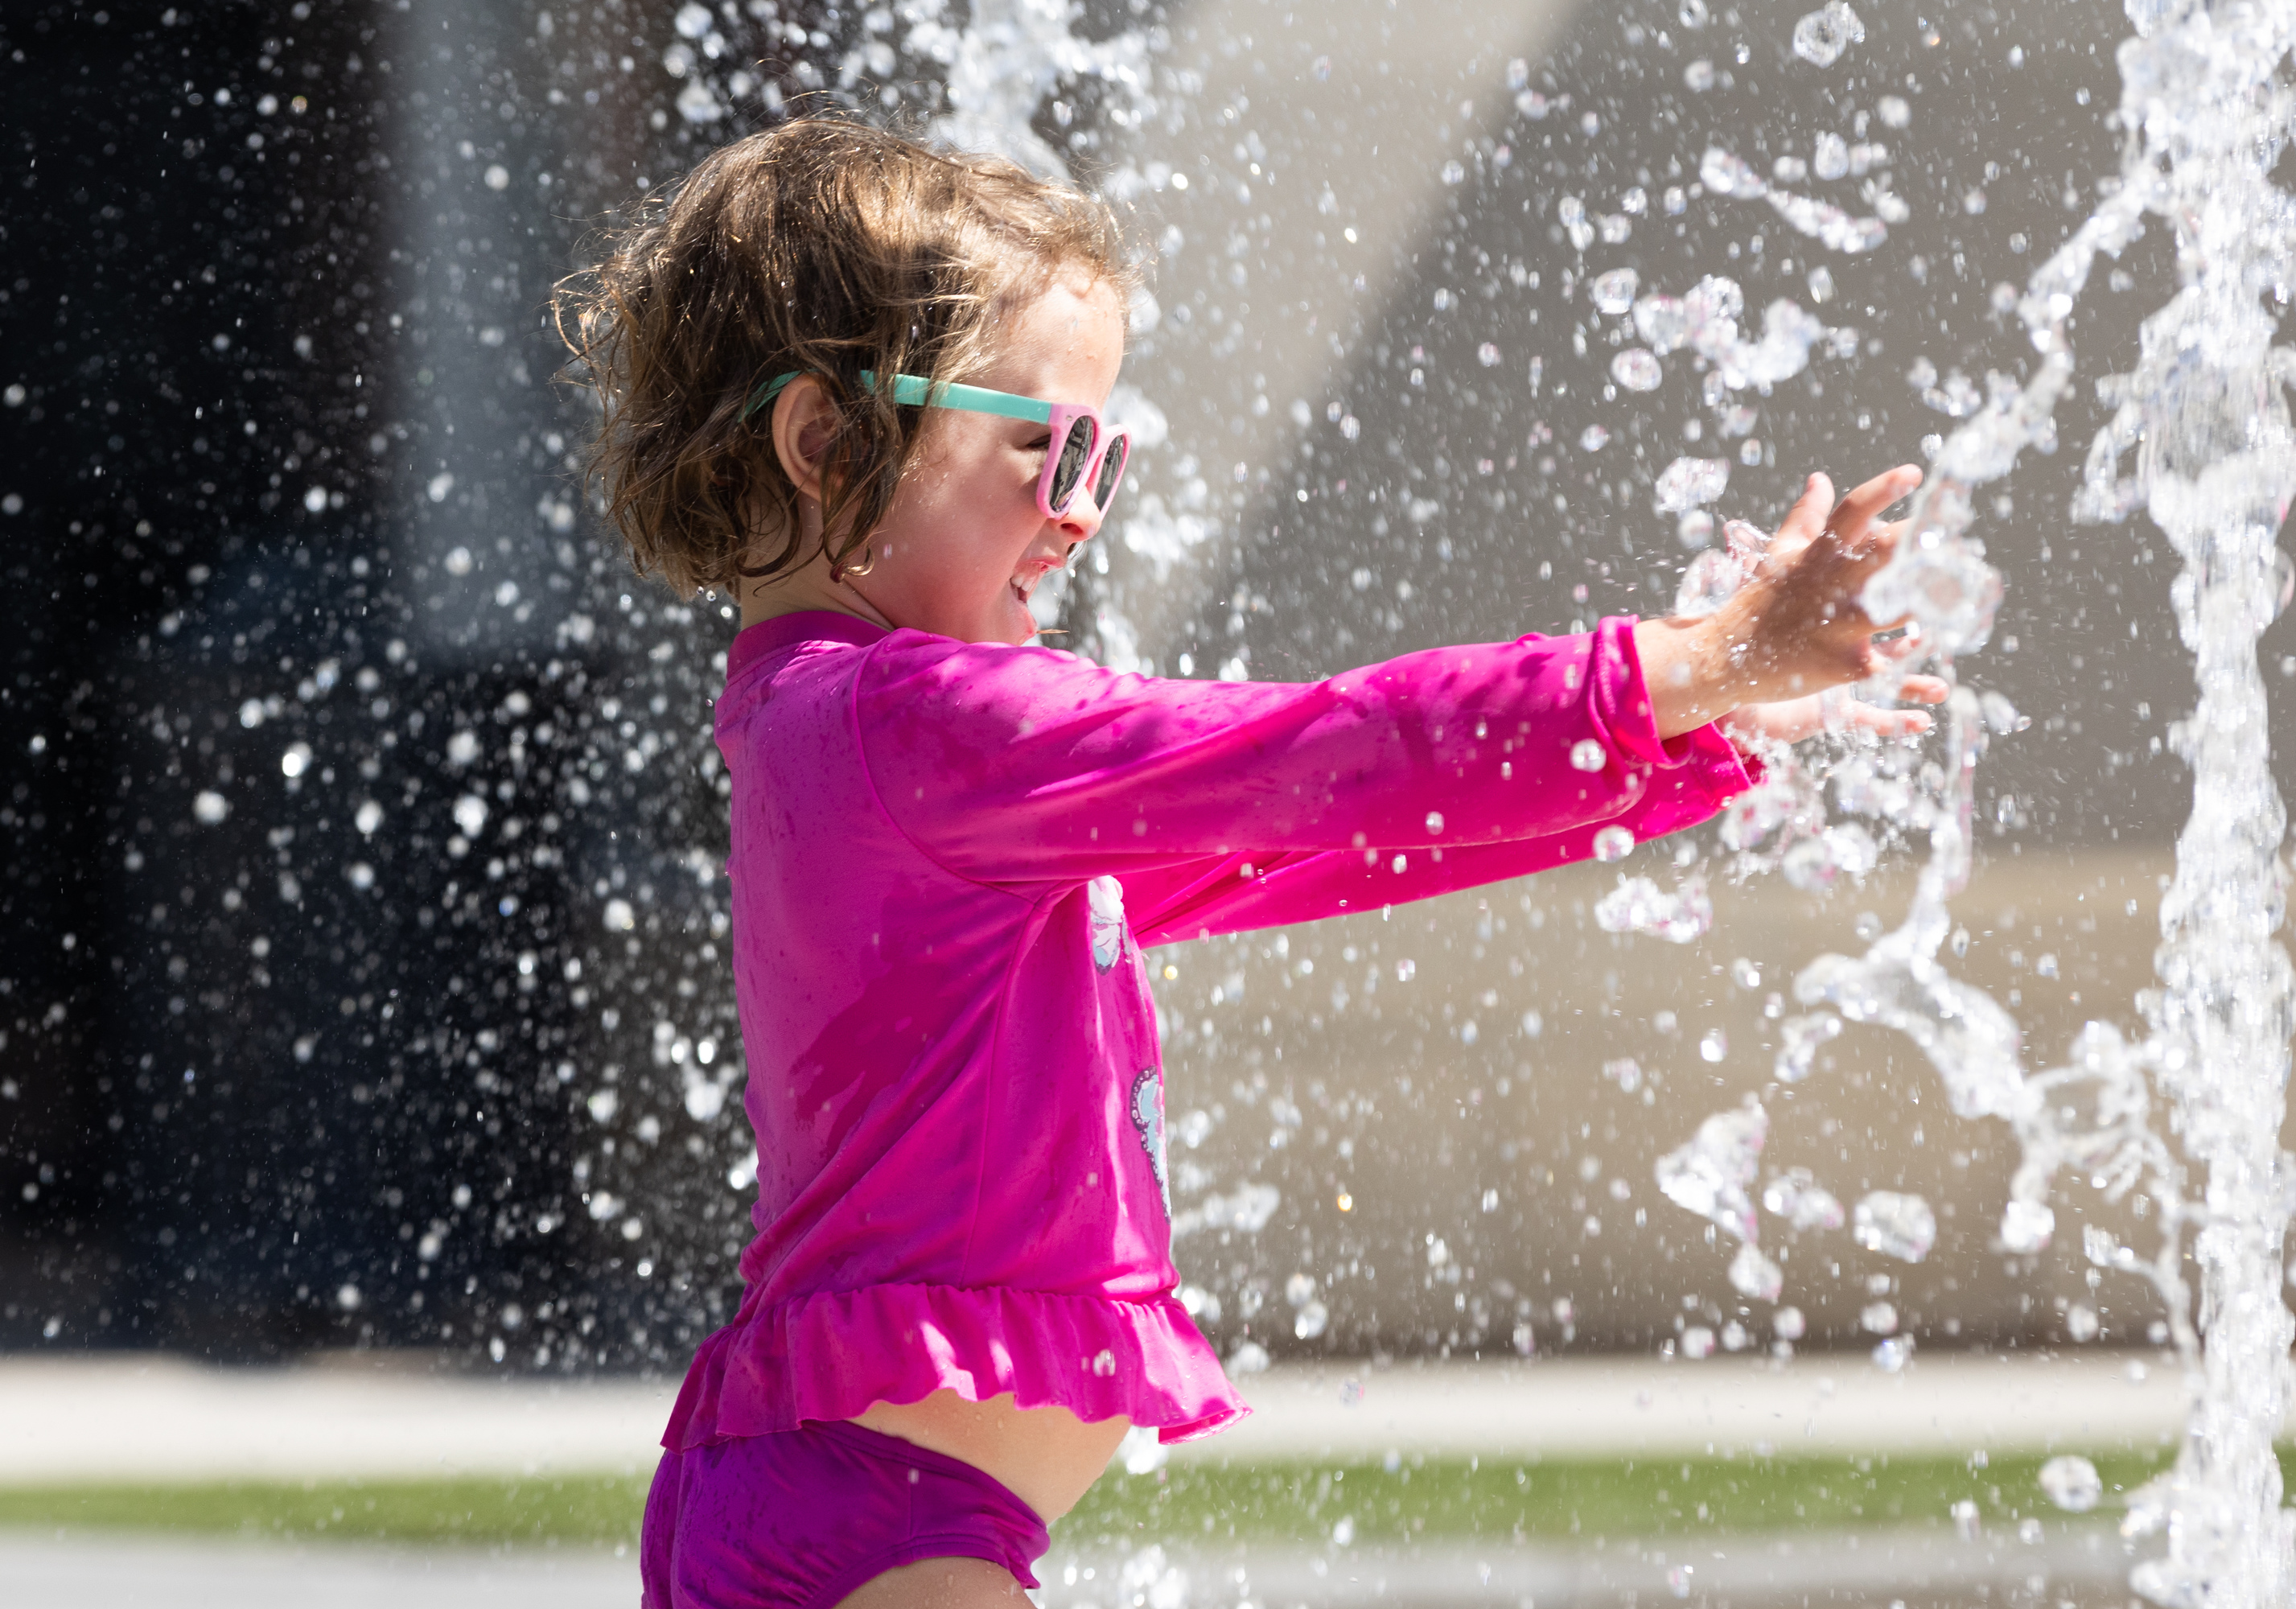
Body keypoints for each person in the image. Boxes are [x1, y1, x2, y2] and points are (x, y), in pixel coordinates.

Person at [557, 114, 1943, 1609]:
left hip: (860, 1504)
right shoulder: (914, 723)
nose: (1082, 510)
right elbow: (1316, 754)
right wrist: (1677, 663)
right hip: (882, 1525)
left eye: (1108, 452)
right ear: (827, 441)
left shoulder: (851, 744)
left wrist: (1682, 731)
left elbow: (1328, 837)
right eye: (1050, 446)